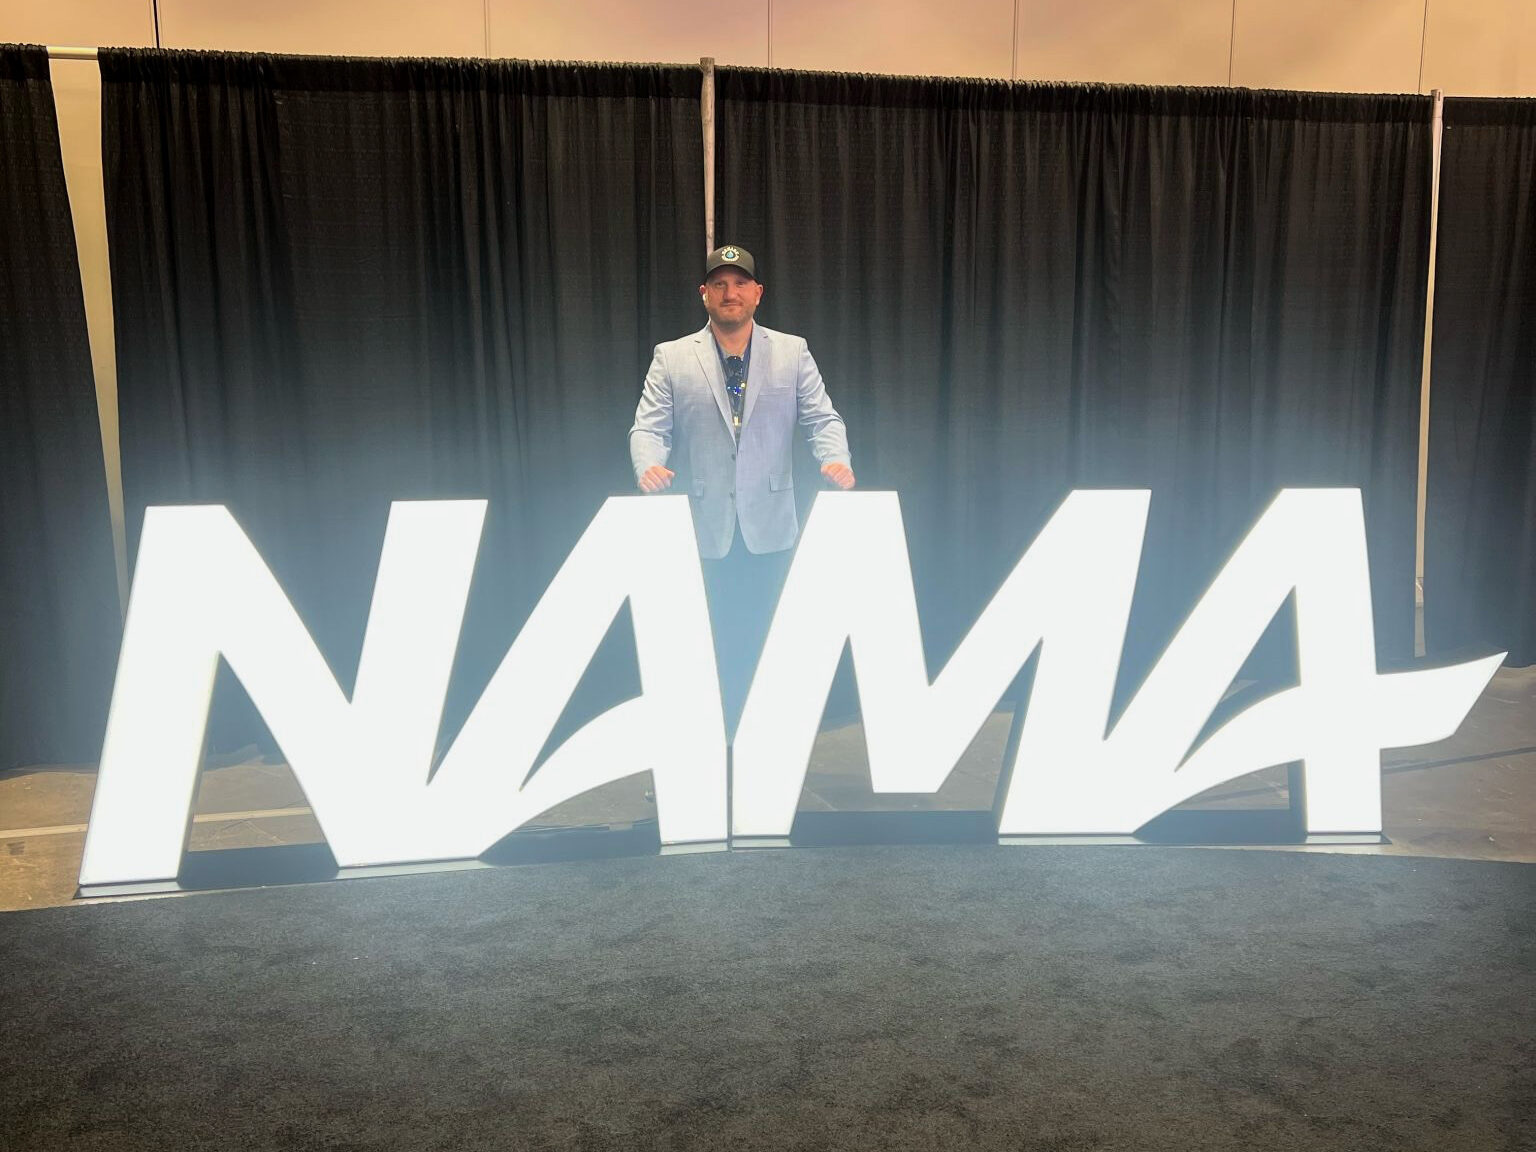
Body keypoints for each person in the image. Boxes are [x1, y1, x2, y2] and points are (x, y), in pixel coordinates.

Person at [629, 244, 854, 733]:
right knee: (704, 645)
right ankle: (710, 743)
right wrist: (649, 466)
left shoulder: (792, 351)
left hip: (771, 526)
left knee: (770, 641)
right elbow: (648, 429)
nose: (730, 292)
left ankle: (765, 742)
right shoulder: (671, 357)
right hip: (704, 527)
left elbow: (823, 418)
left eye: (739, 283)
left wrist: (834, 458)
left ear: (758, 293)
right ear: (704, 294)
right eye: (719, 284)